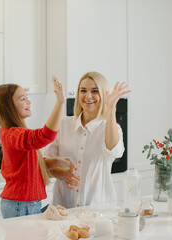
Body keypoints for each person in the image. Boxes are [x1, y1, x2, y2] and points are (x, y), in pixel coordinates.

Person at [0, 76, 78, 218]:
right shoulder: (13, 134)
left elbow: (29, 166)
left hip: (23, 204)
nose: (28, 102)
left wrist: (57, 161)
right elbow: (45, 136)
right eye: (22, 99)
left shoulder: (12, 132)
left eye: (27, 97)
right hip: (22, 205)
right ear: (8, 106)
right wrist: (60, 103)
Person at [44, 72, 131, 208]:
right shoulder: (64, 125)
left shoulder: (110, 126)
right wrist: (63, 173)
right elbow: (45, 166)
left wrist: (111, 108)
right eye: (83, 90)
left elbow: (114, 152)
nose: (88, 96)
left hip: (98, 208)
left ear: (103, 94)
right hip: (64, 207)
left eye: (95, 91)